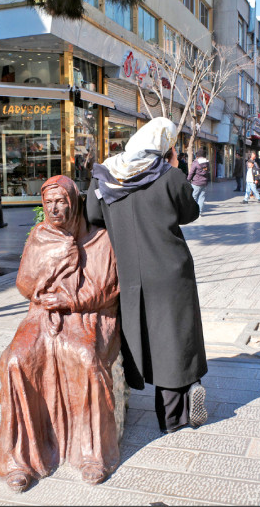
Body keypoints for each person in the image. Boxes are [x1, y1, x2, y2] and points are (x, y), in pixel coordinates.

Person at [0, 175, 120, 492]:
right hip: (42, 314)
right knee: (16, 361)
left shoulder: (99, 239)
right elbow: (24, 282)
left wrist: (71, 299)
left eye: (61, 201)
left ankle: (92, 454)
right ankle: (20, 459)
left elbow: (107, 288)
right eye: (48, 203)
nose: (54, 209)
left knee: (86, 358)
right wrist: (45, 286)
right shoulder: (39, 236)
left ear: (74, 202)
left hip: (84, 316)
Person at [87, 117, 208, 436]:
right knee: (173, 337)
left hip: (129, 271)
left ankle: (127, 394)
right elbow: (189, 213)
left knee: (140, 333)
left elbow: (93, 215)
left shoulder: (105, 175)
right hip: (171, 271)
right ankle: (173, 417)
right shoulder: (169, 176)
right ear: (163, 148)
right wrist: (178, 170)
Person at [186, 148, 211, 216]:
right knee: (202, 197)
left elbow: (191, 172)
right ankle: (199, 212)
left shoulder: (196, 163)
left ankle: (192, 211)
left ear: (198, 155)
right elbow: (208, 171)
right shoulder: (207, 163)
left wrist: (188, 180)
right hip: (204, 182)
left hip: (196, 182)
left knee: (193, 197)